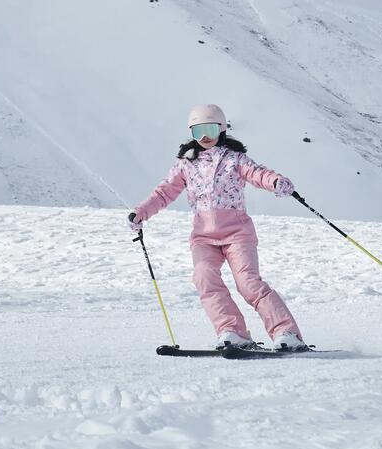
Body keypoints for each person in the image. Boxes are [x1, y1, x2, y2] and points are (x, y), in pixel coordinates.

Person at [127, 103, 307, 351]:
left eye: (210, 129)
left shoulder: (234, 159)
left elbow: (258, 173)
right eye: (198, 131)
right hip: (203, 237)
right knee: (204, 277)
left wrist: (276, 181)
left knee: (248, 283)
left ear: (221, 129)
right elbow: (164, 192)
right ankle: (232, 331)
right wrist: (140, 212)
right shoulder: (186, 164)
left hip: (237, 234)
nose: (204, 137)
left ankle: (287, 333)